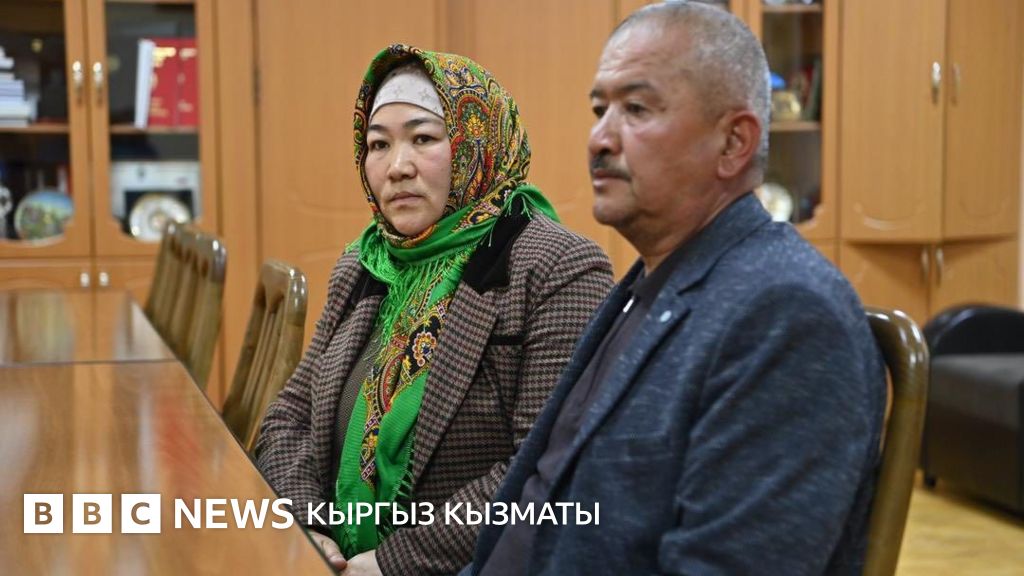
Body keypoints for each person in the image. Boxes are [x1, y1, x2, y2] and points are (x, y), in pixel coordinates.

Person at [463, 3, 886, 575]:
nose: (599, 138)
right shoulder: (652, 281)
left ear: (733, 143)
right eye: (600, 109)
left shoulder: (787, 313)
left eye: (636, 109)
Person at [256, 44, 613, 576]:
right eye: (378, 145)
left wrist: (392, 563)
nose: (397, 168)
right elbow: (289, 419)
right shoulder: (366, 262)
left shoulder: (556, 266)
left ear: (477, 144)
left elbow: (546, 467)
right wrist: (311, 528)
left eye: (423, 139)